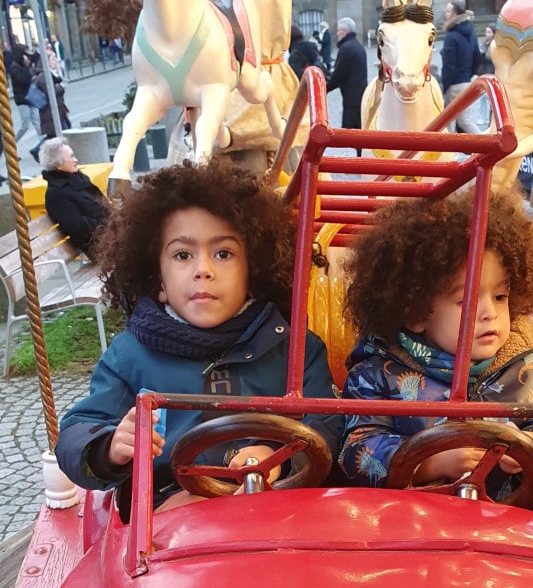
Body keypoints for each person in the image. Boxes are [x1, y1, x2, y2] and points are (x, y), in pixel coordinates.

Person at [55, 159, 342, 509]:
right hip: (168, 517)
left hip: (275, 507)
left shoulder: (295, 347)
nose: (203, 270)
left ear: (253, 270)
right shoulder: (129, 356)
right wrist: (111, 446)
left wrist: (279, 458)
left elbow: (328, 424)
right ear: (157, 279)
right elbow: (78, 429)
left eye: (223, 253)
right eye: (182, 254)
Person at [338, 188, 533, 521]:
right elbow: (357, 446)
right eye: (467, 302)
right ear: (415, 312)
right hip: (412, 525)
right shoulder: (378, 373)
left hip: (515, 524)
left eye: (500, 296)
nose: (489, 313)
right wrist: (428, 462)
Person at [40, 138, 111, 256]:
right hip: (102, 248)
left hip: (113, 235)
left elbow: (102, 203)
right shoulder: (56, 195)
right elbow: (80, 228)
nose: (76, 160)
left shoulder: (77, 178)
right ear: (58, 164)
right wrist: (110, 224)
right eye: (71, 157)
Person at [441, 0, 485, 134]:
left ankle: (484, 146)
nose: (445, 14)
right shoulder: (470, 33)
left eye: (448, 11)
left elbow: (449, 66)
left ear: (454, 14)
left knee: (450, 121)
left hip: (454, 84)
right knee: (462, 120)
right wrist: (467, 75)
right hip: (465, 81)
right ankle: (483, 146)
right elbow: (477, 57)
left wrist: (445, 86)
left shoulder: (451, 36)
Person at [326, 18, 368, 140]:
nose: (337, 33)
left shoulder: (346, 48)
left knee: (355, 135)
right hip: (360, 94)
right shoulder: (357, 45)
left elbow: (339, 74)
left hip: (352, 97)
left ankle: (360, 159)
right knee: (360, 134)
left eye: (338, 30)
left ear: (344, 31)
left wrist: (325, 88)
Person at [29, 72, 70, 162]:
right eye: (52, 59)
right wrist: (61, 87)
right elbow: (50, 92)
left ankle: (38, 149)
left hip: (57, 110)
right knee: (62, 133)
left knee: (55, 134)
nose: (55, 61)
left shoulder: (52, 74)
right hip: (50, 111)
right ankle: (38, 150)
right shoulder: (43, 76)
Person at [9, 44, 40, 143]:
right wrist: (27, 67)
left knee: (37, 122)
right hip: (22, 99)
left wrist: (33, 52)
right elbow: (24, 80)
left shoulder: (23, 63)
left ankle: (43, 144)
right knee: (25, 125)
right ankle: (13, 144)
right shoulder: (14, 67)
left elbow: (36, 58)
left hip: (30, 97)